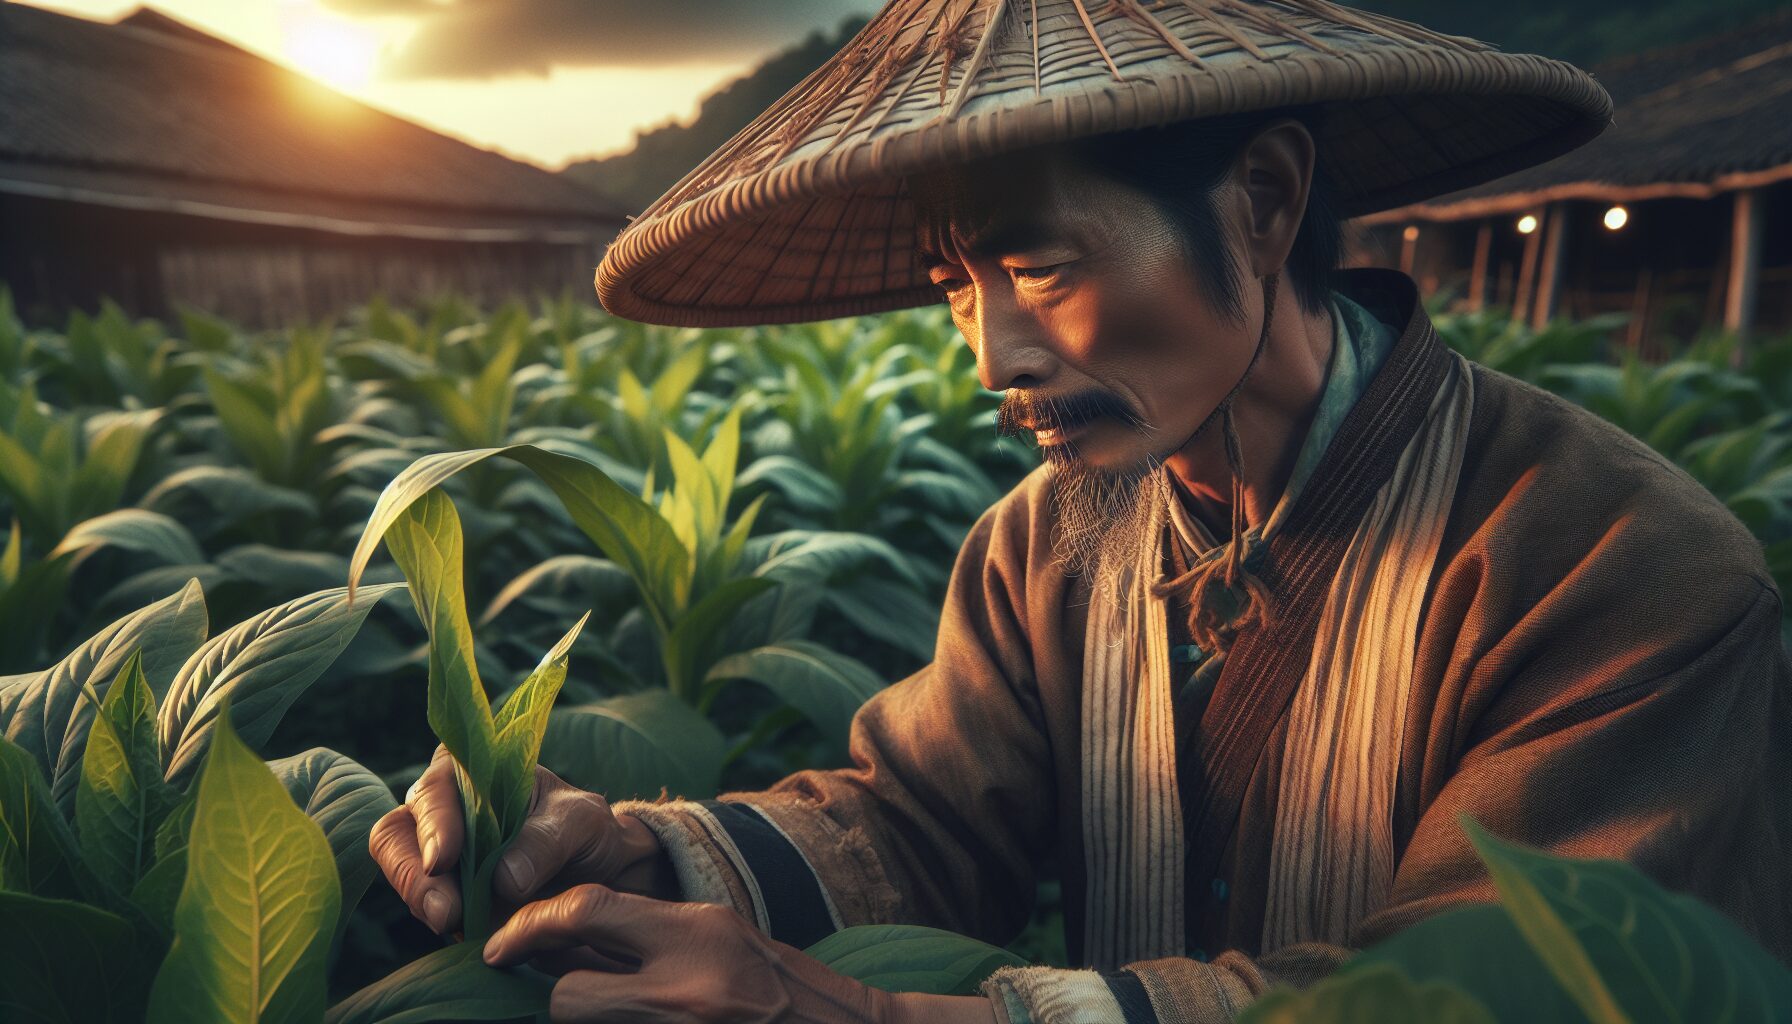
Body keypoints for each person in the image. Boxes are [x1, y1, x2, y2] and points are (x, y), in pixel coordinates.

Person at [372, 1, 1792, 1020]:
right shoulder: (1046, 540)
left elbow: (1484, 987)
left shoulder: (1621, 567)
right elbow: (923, 823)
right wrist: (636, 849)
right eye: (956, 285)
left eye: (1040, 265)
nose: (990, 358)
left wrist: (860, 1017)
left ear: (1264, 200)